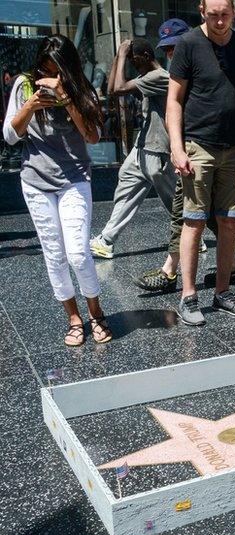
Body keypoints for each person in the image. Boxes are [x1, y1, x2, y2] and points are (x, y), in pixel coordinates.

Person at [167, 0, 235, 326]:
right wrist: (177, 147)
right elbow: (174, 100)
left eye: (225, 14)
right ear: (201, 10)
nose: (220, 21)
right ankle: (188, 296)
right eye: (213, 15)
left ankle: (223, 292)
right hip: (198, 146)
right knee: (195, 221)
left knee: (228, 223)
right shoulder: (188, 45)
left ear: (234, 12)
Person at [3, 35, 112, 345]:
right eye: (44, 69)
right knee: (54, 254)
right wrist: (31, 105)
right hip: (35, 182)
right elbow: (10, 136)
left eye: (56, 71)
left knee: (78, 253)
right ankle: (73, 318)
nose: (48, 78)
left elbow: (92, 137)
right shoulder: (25, 86)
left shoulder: (81, 88)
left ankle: (96, 312)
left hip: (74, 179)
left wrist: (67, 98)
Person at [89, 38, 179, 261]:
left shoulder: (159, 77)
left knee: (173, 200)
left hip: (157, 149)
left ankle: (188, 238)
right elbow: (111, 89)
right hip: (143, 147)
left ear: (147, 57)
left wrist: (121, 56)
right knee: (126, 185)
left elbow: (119, 88)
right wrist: (118, 58)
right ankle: (106, 240)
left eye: (134, 61)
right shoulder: (145, 76)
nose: (131, 65)